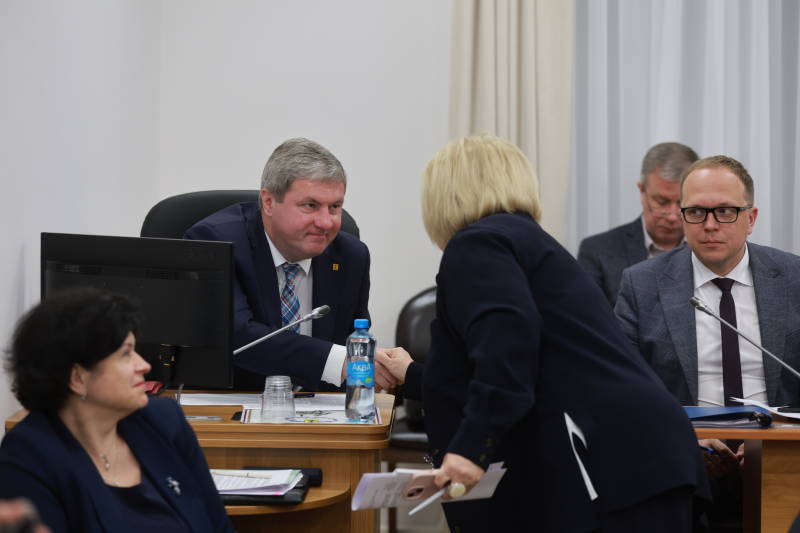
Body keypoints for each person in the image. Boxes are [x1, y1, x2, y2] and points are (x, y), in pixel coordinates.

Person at [377, 134, 709, 532]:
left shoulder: (478, 244)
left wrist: (470, 449)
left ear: (445, 194)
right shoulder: (526, 241)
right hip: (641, 456)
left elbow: (507, 348)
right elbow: (529, 364)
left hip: (613, 467)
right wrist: (412, 375)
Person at [614, 155, 800, 526]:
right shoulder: (642, 284)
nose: (710, 225)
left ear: (751, 218)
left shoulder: (793, 278)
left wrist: (775, 445)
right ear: (683, 216)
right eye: (697, 212)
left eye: (725, 211)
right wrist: (683, 442)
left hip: (782, 464)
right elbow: (622, 390)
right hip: (682, 465)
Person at [0, 288, 234, 533]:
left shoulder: (163, 421)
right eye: (126, 354)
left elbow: (219, 527)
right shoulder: (29, 454)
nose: (144, 365)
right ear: (77, 378)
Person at [185, 137, 372, 391]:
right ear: (269, 202)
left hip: (319, 408)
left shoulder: (350, 256)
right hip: (232, 402)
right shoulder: (217, 243)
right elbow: (236, 337)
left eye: (335, 207)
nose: (326, 222)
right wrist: (337, 361)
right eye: (310, 205)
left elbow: (356, 339)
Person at [577, 142, 698, 306]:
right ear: (642, 190)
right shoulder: (599, 251)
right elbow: (590, 317)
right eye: (661, 202)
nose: (672, 216)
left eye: (682, 203)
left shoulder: (710, 247)